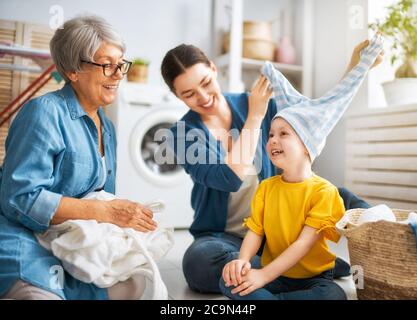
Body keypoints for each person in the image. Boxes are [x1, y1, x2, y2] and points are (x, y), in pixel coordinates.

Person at [160, 40, 383, 293]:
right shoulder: (182, 133)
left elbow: (314, 117)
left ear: (213, 69)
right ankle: (301, 266)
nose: (203, 97)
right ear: (177, 96)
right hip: (222, 237)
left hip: (276, 227)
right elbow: (230, 178)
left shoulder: (253, 101)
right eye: (188, 94)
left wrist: (357, 67)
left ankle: (279, 268)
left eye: (205, 83)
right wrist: (255, 117)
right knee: (199, 263)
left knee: (338, 196)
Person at [0, 15, 157, 300]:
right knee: (43, 295)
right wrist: (107, 212)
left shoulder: (106, 127)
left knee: (134, 281)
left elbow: (102, 197)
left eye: (120, 64)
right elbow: (19, 199)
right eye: (106, 64)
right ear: (73, 71)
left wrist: (121, 220)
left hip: (72, 237)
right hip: (24, 234)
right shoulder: (44, 113)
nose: (118, 74)